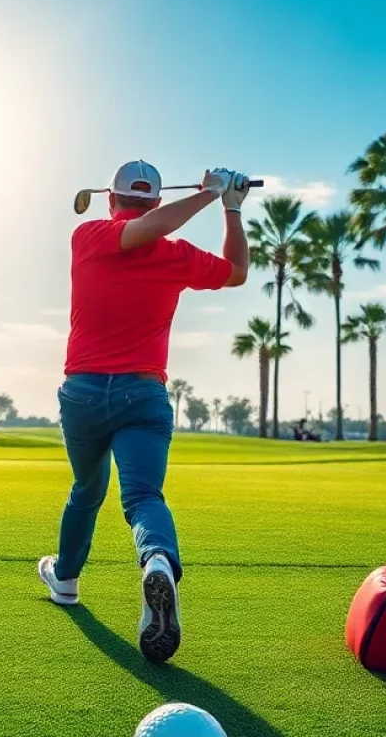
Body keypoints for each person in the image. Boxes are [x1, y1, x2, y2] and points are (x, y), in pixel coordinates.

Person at [37, 162, 250, 664]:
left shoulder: (88, 235)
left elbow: (156, 234)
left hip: (85, 393)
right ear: (155, 202)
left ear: (111, 200)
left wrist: (217, 198)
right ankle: (156, 560)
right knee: (142, 498)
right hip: (143, 395)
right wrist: (228, 206)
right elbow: (237, 270)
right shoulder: (172, 252)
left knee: (87, 490)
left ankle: (65, 578)